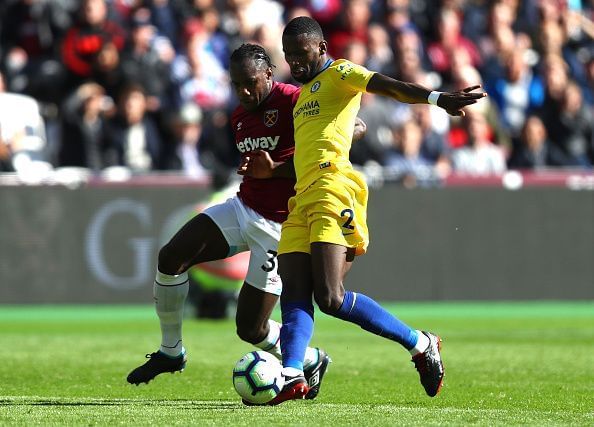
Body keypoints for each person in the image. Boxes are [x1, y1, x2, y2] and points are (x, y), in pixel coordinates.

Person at [239, 16, 486, 405]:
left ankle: (420, 343)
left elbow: (389, 86)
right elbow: (317, 145)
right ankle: (291, 373)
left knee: (331, 297)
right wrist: (273, 169)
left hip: (333, 189)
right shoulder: (303, 97)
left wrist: (438, 99)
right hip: (301, 196)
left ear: (321, 48)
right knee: (296, 289)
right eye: (289, 56)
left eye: (301, 54)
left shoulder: (340, 73)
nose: (295, 63)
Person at [127, 43, 365, 402]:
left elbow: (353, 127)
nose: (243, 91)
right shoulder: (238, 113)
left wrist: (276, 169)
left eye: (250, 82)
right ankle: (171, 351)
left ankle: (311, 359)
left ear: (269, 74)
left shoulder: (294, 100)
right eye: (235, 83)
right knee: (170, 257)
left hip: (281, 227)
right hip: (243, 209)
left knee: (250, 329)